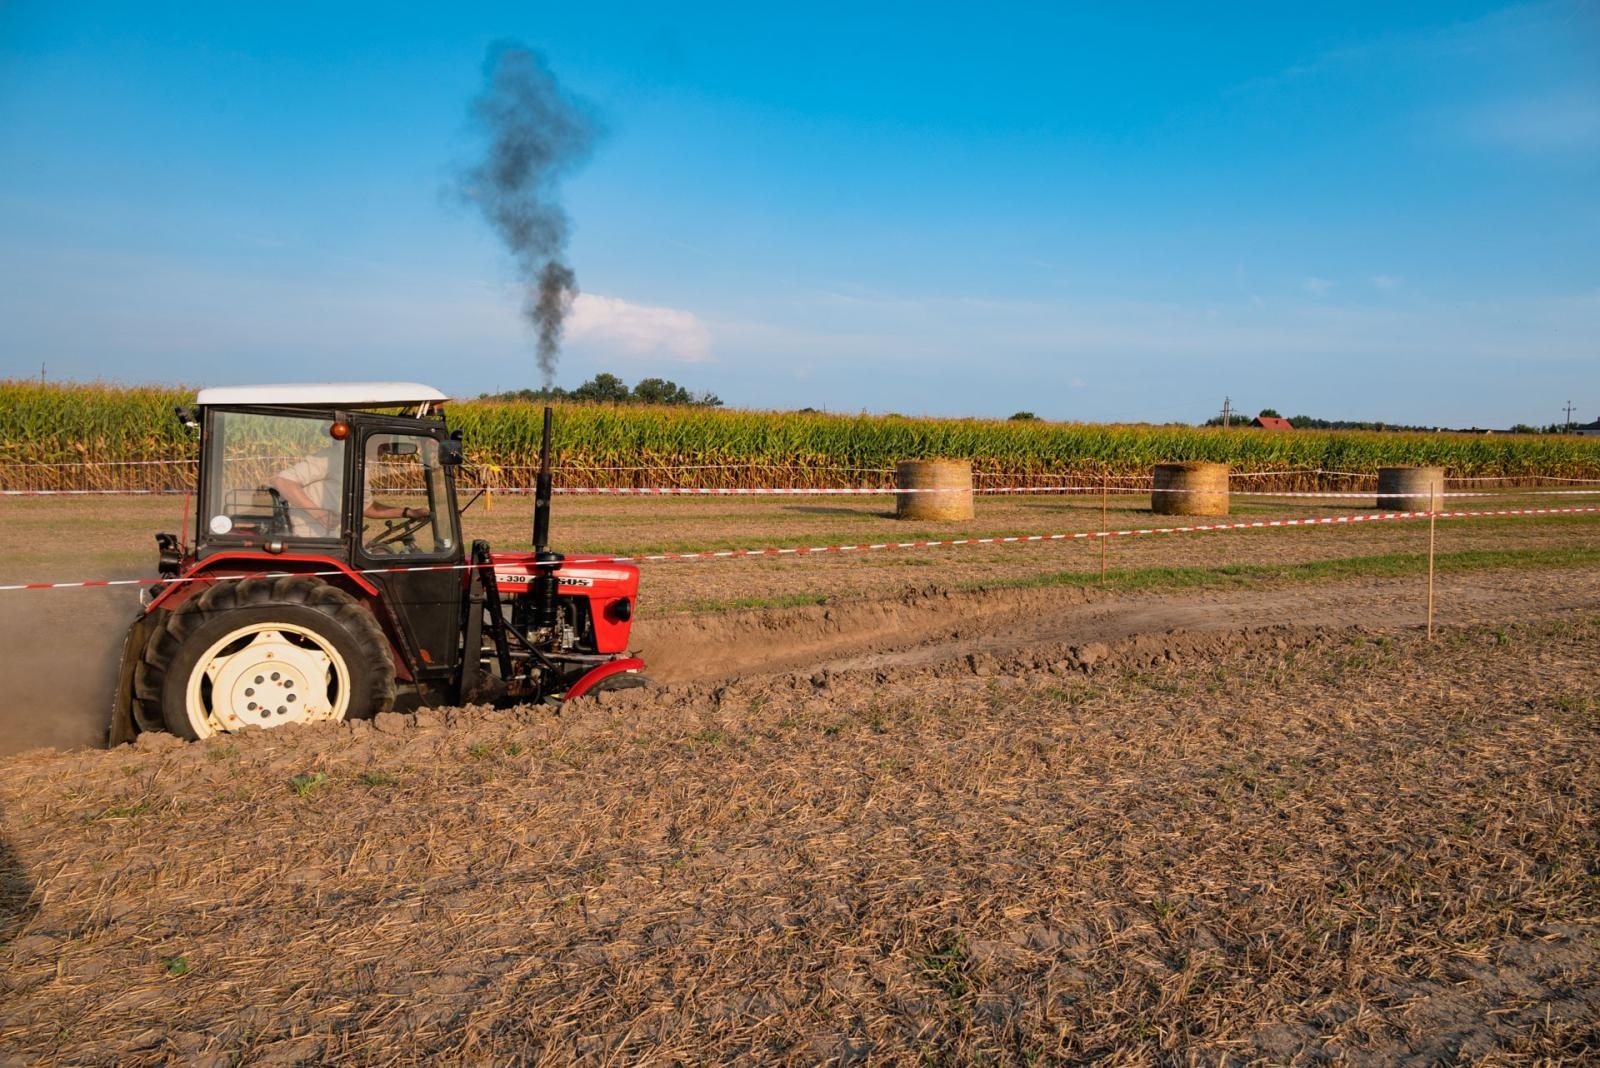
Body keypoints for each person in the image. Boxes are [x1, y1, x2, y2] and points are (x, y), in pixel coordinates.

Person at [270, 434, 428, 538]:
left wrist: (409, 512)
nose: (386, 448)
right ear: (367, 439)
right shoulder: (335, 457)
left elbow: (366, 507)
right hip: (312, 536)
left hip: (336, 536)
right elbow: (283, 481)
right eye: (382, 443)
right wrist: (320, 515)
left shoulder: (359, 466)